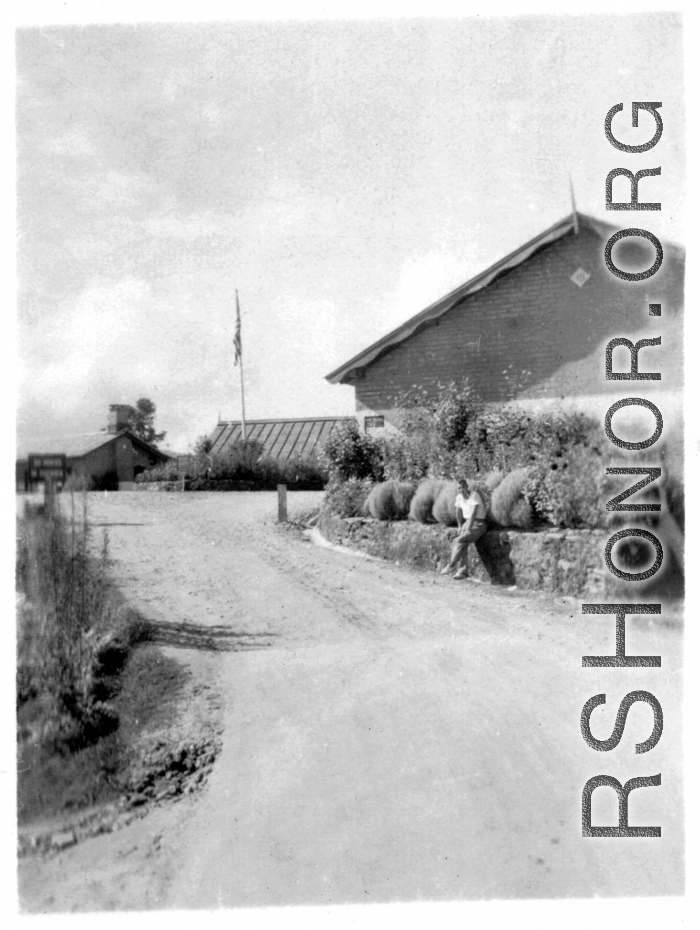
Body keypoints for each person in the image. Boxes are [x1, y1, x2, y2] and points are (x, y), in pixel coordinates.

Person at [440, 479, 488, 580]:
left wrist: (468, 529)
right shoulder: (459, 497)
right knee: (461, 543)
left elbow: (473, 514)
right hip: (467, 522)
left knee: (460, 540)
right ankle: (462, 572)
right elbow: (458, 512)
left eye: (462, 487)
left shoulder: (474, 495)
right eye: (459, 488)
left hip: (479, 523)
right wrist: (460, 526)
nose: (461, 489)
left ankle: (451, 566)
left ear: (467, 486)